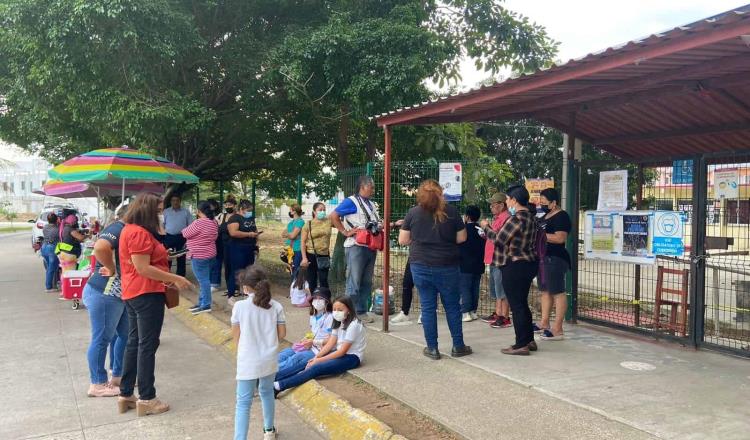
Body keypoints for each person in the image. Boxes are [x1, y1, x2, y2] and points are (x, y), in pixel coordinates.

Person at [117, 192, 193, 416]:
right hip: (146, 292)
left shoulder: (129, 230)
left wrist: (162, 257)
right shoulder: (139, 233)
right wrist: (175, 278)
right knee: (147, 345)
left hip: (133, 292)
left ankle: (126, 393)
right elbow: (143, 268)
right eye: (158, 210)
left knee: (134, 342)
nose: (161, 214)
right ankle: (147, 397)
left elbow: (144, 261)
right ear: (148, 211)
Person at [399, 179, 472, 360]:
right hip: (447, 265)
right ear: (441, 194)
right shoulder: (452, 212)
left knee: (428, 307)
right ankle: (458, 346)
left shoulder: (413, 213)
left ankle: (432, 348)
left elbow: (403, 240)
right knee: (453, 307)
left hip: (420, 266)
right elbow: (462, 238)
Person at [481, 185, 539, 356]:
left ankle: (521, 344)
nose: (507, 202)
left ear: (514, 200)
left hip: (514, 265)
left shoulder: (516, 219)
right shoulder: (531, 217)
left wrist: (486, 227)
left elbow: (499, 239)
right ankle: (529, 339)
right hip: (528, 263)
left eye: (507, 199)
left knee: (517, 305)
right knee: (522, 303)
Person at [231, 265, 285, 440]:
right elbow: (282, 334)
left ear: (246, 287)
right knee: (267, 393)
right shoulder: (276, 306)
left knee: (243, 403)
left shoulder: (239, 307)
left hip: (248, 359)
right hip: (268, 358)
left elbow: (236, 337)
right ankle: (269, 430)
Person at [83, 205, 129, 398]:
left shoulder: (127, 230)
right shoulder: (117, 229)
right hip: (105, 293)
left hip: (118, 295)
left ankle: (117, 375)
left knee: (124, 335)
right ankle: (98, 383)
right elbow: (100, 248)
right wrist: (111, 268)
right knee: (102, 339)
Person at [274, 296, 365, 393]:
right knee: (307, 362)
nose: (336, 312)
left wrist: (318, 360)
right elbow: (330, 343)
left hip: (351, 357)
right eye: (334, 309)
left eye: (340, 309)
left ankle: (278, 386)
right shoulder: (338, 321)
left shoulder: (354, 325)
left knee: (316, 368)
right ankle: (272, 378)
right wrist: (316, 357)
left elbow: (342, 351)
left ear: (349, 310)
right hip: (338, 352)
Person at [330, 176, 381, 323]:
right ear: (363, 187)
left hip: (370, 246)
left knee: (366, 282)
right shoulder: (351, 201)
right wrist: (345, 232)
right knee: (354, 281)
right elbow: (333, 216)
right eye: (371, 187)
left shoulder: (371, 204)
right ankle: (348, 313)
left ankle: (360, 311)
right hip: (356, 247)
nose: (373, 190)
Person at [536, 188, 572, 341]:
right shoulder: (544, 216)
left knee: (557, 292)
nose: (542, 203)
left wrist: (540, 235)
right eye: (541, 200)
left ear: (554, 202)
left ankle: (558, 328)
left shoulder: (562, 216)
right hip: (543, 258)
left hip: (555, 258)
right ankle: (544, 323)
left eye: (544, 201)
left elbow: (560, 238)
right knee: (545, 291)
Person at [276, 287, 333, 382]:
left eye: (321, 299)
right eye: (315, 298)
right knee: (284, 354)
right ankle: (262, 370)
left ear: (327, 301)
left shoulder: (331, 317)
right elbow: (314, 332)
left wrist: (313, 342)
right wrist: (306, 338)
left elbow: (332, 339)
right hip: (307, 346)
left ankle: (268, 376)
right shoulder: (313, 315)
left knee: (293, 361)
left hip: (318, 350)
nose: (317, 301)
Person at [480, 193, 512, 329]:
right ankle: (498, 313)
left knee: (502, 289)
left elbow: (498, 237)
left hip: (501, 258)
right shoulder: (497, 218)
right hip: (493, 257)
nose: (491, 207)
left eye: (493, 205)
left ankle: (504, 316)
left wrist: (486, 227)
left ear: (501, 205)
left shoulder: (506, 218)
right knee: (496, 288)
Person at [183, 201, 219, 315]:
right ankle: (201, 302)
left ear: (198, 211)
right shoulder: (213, 222)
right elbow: (215, 236)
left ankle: (206, 304)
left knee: (203, 281)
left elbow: (185, 233)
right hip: (210, 254)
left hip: (198, 256)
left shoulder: (199, 222)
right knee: (205, 279)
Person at [226, 200, 261, 299]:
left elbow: (254, 229)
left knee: (248, 271)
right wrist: (248, 234)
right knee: (236, 271)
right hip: (238, 249)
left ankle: (247, 291)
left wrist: (256, 241)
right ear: (241, 209)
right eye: (248, 210)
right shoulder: (234, 218)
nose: (250, 212)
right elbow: (233, 233)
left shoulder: (250, 218)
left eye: (251, 210)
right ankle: (231, 293)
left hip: (250, 247)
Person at [459, 205, 486, 322]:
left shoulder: (463, 229)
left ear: (467, 216)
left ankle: (465, 312)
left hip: (465, 264)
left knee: (465, 288)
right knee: (475, 288)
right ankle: (473, 311)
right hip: (479, 263)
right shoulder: (481, 229)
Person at [300, 202, 333, 292]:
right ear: (314, 212)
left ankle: (325, 301)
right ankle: (313, 302)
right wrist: (304, 258)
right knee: (312, 280)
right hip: (311, 255)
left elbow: (339, 223)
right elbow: (303, 242)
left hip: (324, 255)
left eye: (324, 210)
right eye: (320, 210)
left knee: (324, 280)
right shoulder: (308, 224)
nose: (322, 211)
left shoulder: (328, 221)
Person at [162, 194, 193, 277]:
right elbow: (162, 224)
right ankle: (167, 276)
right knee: (168, 257)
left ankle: (181, 276)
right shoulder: (166, 211)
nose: (175, 202)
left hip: (182, 237)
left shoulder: (186, 212)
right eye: (173, 200)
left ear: (180, 201)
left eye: (177, 200)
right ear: (171, 202)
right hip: (169, 237)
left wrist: (188, 239)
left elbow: (190, 225)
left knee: (181, 257)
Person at [213, 195, 237, 291]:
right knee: (217, 263)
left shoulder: (237, 217)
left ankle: (233, 286)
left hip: (233, 244)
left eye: (230, 205)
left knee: (231, 265)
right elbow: (215, 227)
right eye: (226, 205)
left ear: (235, 206)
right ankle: (215, 283)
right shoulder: (221, 216)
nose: (227, 207)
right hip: (220, 244)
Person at [282, 204, 305, 281]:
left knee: (296, 271)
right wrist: (289, 234)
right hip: (289, 250)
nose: (289, 211)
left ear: (294, 211)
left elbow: (293, 236)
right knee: (291, 270)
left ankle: (296, 289)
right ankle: (293, 288)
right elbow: (283, 234)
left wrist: (288, 234)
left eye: (290, 210)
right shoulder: (291, 223)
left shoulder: (300, 222)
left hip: (297, 250)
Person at [41, 213, 61, 292]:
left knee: (50, 267)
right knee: (51, 268)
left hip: (44, 247)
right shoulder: (57, 229)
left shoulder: (45, 227)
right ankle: (49, 287)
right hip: (52, 248)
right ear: (56, 219)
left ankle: (54, 284)